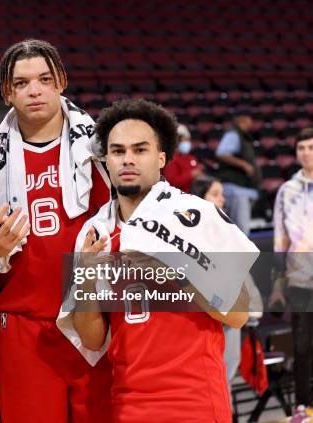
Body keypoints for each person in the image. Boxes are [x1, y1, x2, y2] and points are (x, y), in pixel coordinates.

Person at [63, 99, 256, 422]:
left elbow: (239, 314)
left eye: (140, 150)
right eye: (118, 151)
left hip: (198, 398)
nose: (128, 159)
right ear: (106, 161)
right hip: (128, 402)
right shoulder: (93, 233)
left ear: (161, 157)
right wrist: (85, 280)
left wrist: (179, 271)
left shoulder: (199, 215)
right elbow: (93, 339)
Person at [0, 39, 112, 423]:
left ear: (61, 81)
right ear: (6, 92)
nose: (35, 90)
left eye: (45, 79)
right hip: (22, 327)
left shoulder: (104, 149)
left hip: (94, 319)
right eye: (22, 82)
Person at [190, 175, 263, 402]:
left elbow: (241, 276)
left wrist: (251, 307)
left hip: (230, 320)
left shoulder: (226, 233)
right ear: (200, 199)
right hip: (203, 322)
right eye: (215, 194)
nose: (222, 200)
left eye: (222, 194)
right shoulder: (187, 237)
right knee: (210, 386)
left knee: (224, 383)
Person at [270, 127, 313, 412]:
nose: (306, 153)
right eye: (302, 148)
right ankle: (303, 406)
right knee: (302, 346)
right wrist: (277, 282)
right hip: (300, 278)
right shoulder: (287, 191)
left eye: (311, 147)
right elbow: (280, 238)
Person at [215, 107, 261, 234]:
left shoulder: (242, 136)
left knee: (237, 231)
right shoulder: (233, 134)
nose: (252, 122)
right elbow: (222, 153)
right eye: (250, 119)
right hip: (236, 189)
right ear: (244, 119)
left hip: (242, 189)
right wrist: (244, 165)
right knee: (240, 231)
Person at [163, 123, 202, 192]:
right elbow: (170, 182)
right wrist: (191, 174)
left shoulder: (191, 158)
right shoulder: (171, 158)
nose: (187, 143)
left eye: (188, 140)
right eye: (184, 140)